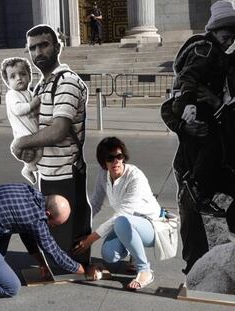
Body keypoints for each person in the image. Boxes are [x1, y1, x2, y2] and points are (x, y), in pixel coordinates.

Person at [161, 0, 235, 274]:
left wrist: (220, 105)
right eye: (225, 31)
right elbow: (170, 107)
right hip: (196, 164)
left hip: (226, 172)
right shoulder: (213, 55)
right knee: (194, 227)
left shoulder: (225, 59)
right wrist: (185, 120)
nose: (230, 37)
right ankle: (195, 268)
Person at [11, 24, 92, 266]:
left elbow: (58, 131)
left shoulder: (66, 82)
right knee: (54, 235)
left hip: (64, 172)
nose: (38, 52)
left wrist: (21, 143)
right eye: (32, 48)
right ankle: (64, 267)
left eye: (44, 45)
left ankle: (71, 269)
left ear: (57, 47)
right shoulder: (42, 85)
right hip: (48, 172)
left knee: (64, 237)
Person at [73, 137, 161, 290]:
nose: (116, 162)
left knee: (121, 220)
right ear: (103, 162)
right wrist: (80, 227)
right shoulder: (103, 174)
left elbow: (122, 214)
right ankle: (133, 248)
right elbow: (95, 203)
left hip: (151, 226)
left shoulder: (135, 177)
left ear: (123, 157)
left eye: (119, 156)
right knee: (109, 255)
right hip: (126, 224)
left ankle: (145, 270)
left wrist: (90, 239)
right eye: (110, 158)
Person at [170, 0, 235, 206]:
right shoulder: (205, 50)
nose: (229, 43)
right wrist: (188, 103)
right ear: (215, 32)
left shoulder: (220, 54)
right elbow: (187, 79)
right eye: (226, 38)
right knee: (210, 142)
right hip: (195, 105)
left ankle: (200, 185)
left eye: (232, 39)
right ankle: (198, 184)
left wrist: (218, 104)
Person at [1, 57, 42, 184]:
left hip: (33, 133)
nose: (19, 78)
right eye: (13, 76)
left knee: (40, 151)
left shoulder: (29, 93)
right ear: (7, 81)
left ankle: (29, 168)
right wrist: (33, 104)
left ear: (29, 77)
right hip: (23, 136)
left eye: (23, 74)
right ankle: (28, 168)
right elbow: (18, 109)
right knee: (38, 151)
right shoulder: (11, 95)